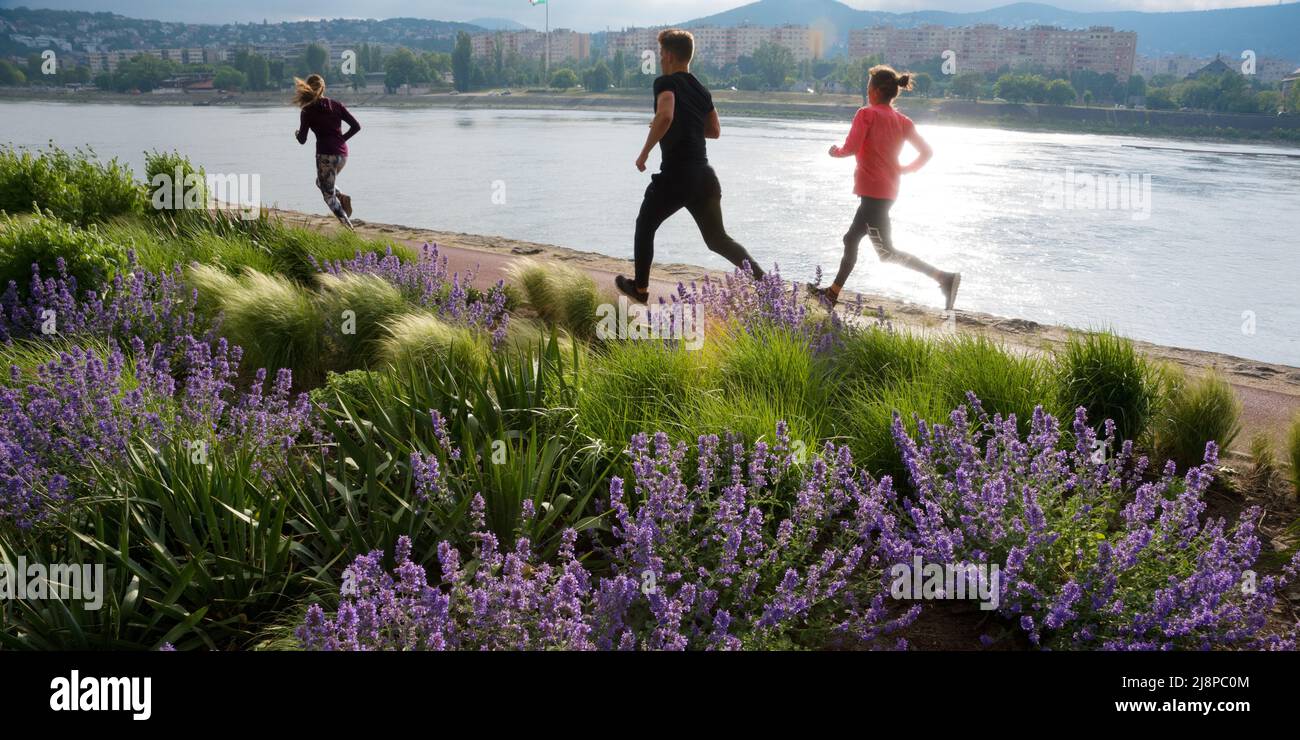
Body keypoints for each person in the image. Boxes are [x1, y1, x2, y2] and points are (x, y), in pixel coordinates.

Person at [614, 29, 764, 304]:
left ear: (669, 55)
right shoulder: (700, 89)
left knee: (645, 225)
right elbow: (714, 130)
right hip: (704, 177)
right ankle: (766, 284)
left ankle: (641, 289)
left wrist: (644, 153)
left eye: (660, 54)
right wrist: (679, 124)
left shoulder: (665, 82)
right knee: (718, 239)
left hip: (677, 175)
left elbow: (666, 114)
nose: (659, 59)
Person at [818, 65, 961, 311]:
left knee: (887, 252)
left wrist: (835, 152)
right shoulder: (902, 121)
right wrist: (904, 170)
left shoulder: (867, 114)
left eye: (867, 88)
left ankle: (944, 278)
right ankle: (832, 293)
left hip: (873, 194)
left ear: (873, 91)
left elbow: (851, 148)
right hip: (885, 193)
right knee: (851, 239)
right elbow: (927, 152)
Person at [294, 74, 360, 228]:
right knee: (321, 182)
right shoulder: (337, 105)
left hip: (325, 156)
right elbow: (356, 126)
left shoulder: (307, 111)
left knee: (328, 196)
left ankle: (349, 228)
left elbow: (302, 140)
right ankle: (341, 196)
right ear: (323, 88)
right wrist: (341, 140)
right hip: (342, 155)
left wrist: (297, 134)